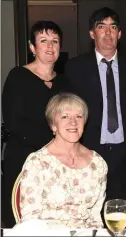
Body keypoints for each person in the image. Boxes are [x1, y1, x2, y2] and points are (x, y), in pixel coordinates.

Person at [65, 7, 126, 180]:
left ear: (119, 34)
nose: (108, 32)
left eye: (113, 27)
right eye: (101, 26)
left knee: (125, 204)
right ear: (92, 33)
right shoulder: (75, 68)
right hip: (89, 149)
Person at [1, 20, 66, 227]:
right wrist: (51, 146)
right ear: (32, 47)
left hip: (58, 163)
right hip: (23, 160)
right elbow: (14, 122)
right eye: (44, 41)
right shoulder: (18, 76)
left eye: (55, 41)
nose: (50, 46)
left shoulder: (66, 82)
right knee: (23, 221)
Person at [19, 93, 108, 229]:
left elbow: (96, 217)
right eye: (65, 116)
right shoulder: (37, 162)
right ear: (53, 125)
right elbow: (30, 219)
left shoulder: (97, 163)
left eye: (79, 116)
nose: (73, 122)